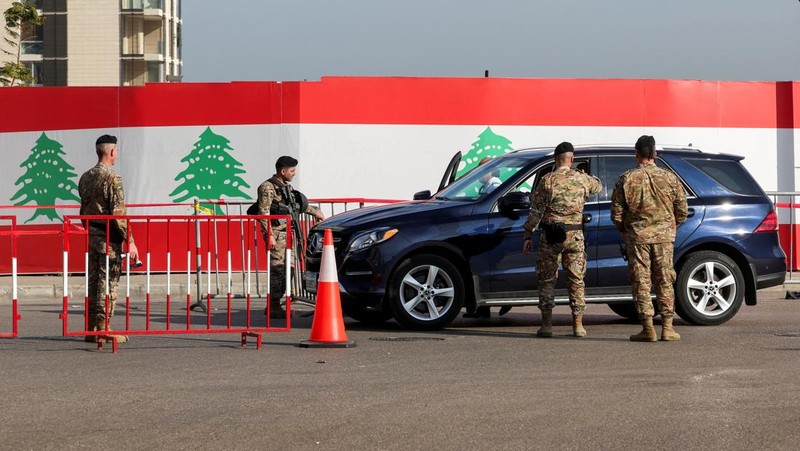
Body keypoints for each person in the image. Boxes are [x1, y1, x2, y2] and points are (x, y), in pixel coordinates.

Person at [611, 135, 688, 342]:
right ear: (654, 154)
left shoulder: (626, 178)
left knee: (641, 282)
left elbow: (616, 213)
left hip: (637, 239)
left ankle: (648, 328)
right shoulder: (670, 178)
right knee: (665, 280)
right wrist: (670, 227)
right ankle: (668, 328)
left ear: (637, 154)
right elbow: (682, 210)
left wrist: (625, 229)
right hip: (664, 239)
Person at [522, 142, 601, 337]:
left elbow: (536, 211)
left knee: (547, 279)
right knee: (576, 279)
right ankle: (578, 325)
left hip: (551, 236)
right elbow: (598, 186)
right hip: (575, 236)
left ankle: (547, 325)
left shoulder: (547, 180)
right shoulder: (583, 179)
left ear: (555, 159)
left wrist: (528, 234)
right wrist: (584, 174)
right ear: (572, 159)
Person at [78, 134, 139, 344]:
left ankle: (91, 328)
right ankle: (104, 328)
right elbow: (118, 214)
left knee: (93, 282)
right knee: (108, 283)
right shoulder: (113, 179)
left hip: (92, 236)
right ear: (112, 152)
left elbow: (83, 209)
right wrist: (129, 240)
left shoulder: (85, 177)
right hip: (108, 239)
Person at [257, 156, 324, 318]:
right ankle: (273, 306)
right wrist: (269, 236)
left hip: (287, 235)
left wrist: (315, 212)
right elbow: (263, 213)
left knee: (289, 269)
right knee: (278, 270)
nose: (294, 173)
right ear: (283, 171)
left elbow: (295, 206)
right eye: (292, 170)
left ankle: (277, 303)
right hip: (277, 235)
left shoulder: (286, 187)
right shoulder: (267, 187)